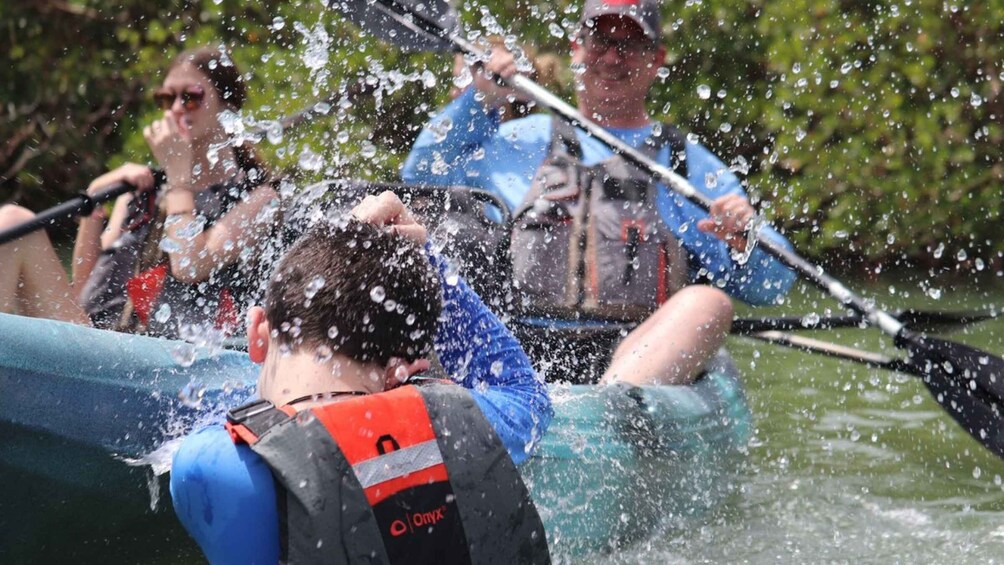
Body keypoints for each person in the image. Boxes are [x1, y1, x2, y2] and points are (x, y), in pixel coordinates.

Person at [403, 0, 796, 385]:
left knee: (709, 305)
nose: (612, 58)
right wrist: (479, 100)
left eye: (629, 45)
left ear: (655, 59)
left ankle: (607, 413)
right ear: (577, 48)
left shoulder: (683, 165)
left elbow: (773, 287)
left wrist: (743, 239)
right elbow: (419, 176)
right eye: (599, 42)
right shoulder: (524, 141)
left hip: (638, 357)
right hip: (519, 352)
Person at [170, 191, 553, 564]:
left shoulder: (215, 467)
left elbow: (239, 421)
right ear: (399, 372)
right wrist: (428, 260)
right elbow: (521, 391)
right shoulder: (458, 424)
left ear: (257, 333)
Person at [0, 46, 279, 337]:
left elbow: (190, 264)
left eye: (192, 97)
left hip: (149, 370)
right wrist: (95, 195)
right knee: (14, 222)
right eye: (167, 98)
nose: (176, 109)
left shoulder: (259, 200)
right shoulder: (140, 193)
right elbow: (83, 295)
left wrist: (179, 181)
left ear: (227, 105)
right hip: (93, 347)